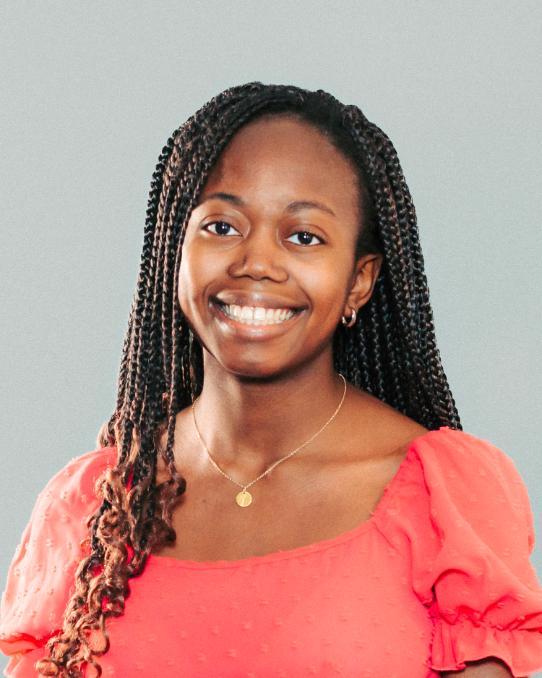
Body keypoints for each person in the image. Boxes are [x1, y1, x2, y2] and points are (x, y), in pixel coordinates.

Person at [1, 82, 541, 677]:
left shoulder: (442, 495)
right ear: (173, 251)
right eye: (221, 227)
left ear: (359, 280)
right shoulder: (93, 503)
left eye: (304, 237)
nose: (256, 262)